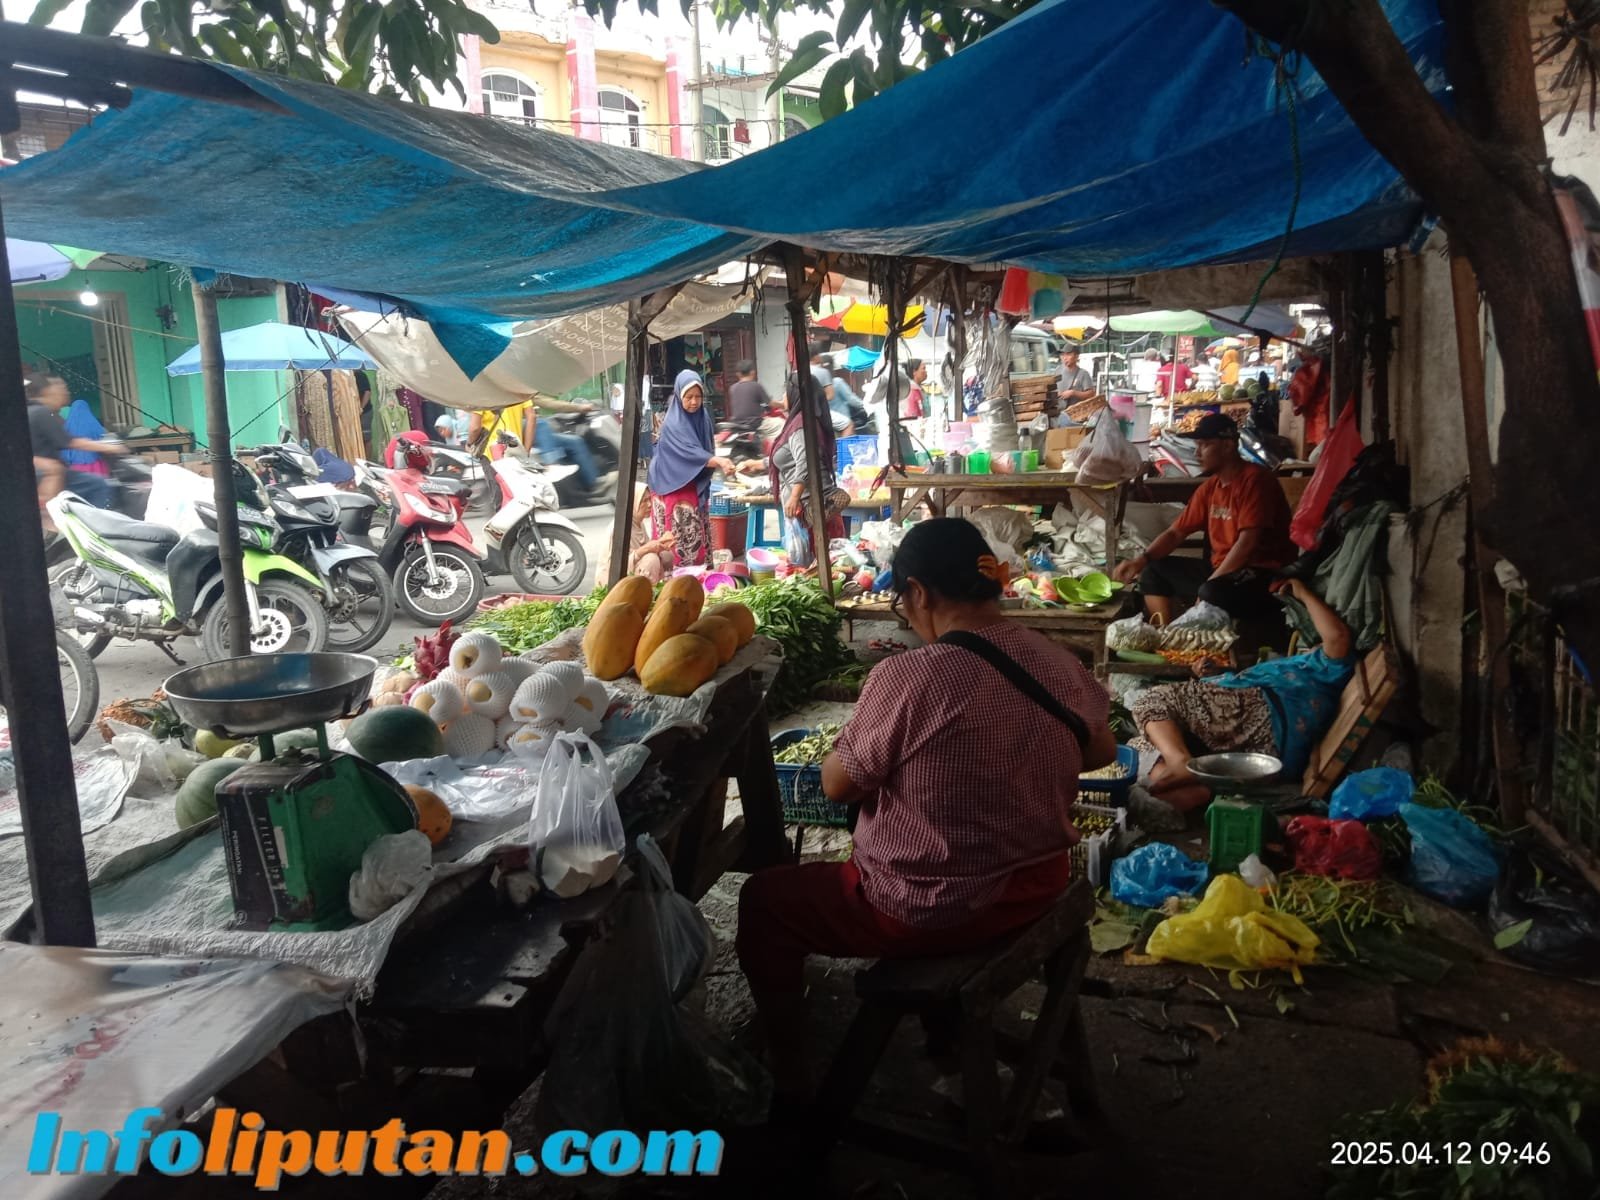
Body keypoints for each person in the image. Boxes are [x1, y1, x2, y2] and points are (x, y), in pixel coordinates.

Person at [736, 518, 1116, 1106]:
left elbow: (837, 786)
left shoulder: (908, 677)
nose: (903, 613)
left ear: (917, 591)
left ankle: (788, 1076)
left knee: (763, 902)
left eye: (899, 599)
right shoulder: (1054, 657)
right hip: (1039, 881)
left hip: (940, 906)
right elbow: (1101, 749)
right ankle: (950, 1055)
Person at [1128, 578, 1354, 828]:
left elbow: (1337, 638)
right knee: (1140, 746)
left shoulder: (1327, 667)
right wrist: (1214, 673)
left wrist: (1302, 591)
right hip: (1258, 740)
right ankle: (1191, 792)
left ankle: (1179, 764)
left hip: (1262, 717)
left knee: (1151, 701)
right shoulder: (1306, 664)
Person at [1112, 414, 1295, 622]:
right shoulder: (1210, 487)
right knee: (1153, 572)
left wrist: (1209, 586)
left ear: (1227, 446)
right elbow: (1175, 533)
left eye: (1205, 445)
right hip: (1220, 570)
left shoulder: (1256, 481)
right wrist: (1140, 560)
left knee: (1211, 593)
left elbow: (1246, 545)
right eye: (1197, 445)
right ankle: (1165, 637)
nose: (1197, 453)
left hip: (1260, 574)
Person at [645, 370, 733, 569]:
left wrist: (715, 459)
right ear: (678, 396)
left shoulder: (704, 419)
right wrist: (718, 461)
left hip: (691, 484)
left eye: (698, 397)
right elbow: (690, 452)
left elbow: (705, 447)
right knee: (677, 541)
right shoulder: (673, 424)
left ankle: (699, 578)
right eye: (689, 397)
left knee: (696, 536)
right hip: (672, 487)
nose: (694, 402)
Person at [770, 371, 845, 569]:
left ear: (797, 394)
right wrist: (759, 464)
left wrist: (794, 497)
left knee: (814, 571)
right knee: (823, 569)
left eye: (786, 392)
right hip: (815, 506)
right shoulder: (803, 421)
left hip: (809, 509)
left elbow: (804, 461)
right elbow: (792, 456)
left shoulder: (801, 424)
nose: (784, 397)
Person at [27, 373, 125, 511]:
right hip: (49, 474)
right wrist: (109, 447)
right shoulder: (42, 412)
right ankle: (99, 526)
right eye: (62, 388)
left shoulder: (32, 411)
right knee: (99, 484)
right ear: (49, 390)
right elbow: (71, 442)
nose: (66, 392)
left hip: (46, 472)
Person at [519, 395, 601, 495]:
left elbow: (548, 402)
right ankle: (552, 464)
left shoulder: (523, 390)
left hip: (533, 432)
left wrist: (579, 408)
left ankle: (592, 485)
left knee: (575, 442)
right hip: (515, 430)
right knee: (541, 424)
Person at [61, 397, 111, 477]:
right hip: (97, 465)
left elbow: (63, 449)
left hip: (75, 467)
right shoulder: (95, 425)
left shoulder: (67, 427)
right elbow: (104, 440)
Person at [726, 359, 770, 427]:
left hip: (736, 424)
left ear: (738, 374)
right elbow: (770, 403)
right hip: (754, 424)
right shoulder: (756, 386)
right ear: (753, 372)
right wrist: (783, 405)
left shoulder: (732, 388)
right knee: (779, 423)